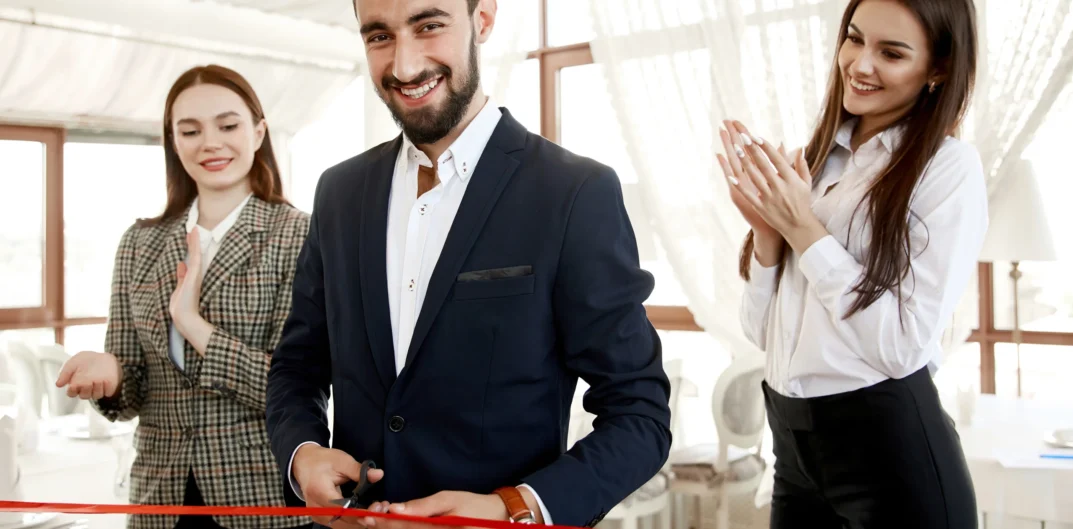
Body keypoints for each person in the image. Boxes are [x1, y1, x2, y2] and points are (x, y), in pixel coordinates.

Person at [265, 0, 671, 527]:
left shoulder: (573, 193)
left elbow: (639, 415)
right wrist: (303, 456)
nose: (405, 67)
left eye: (429, 26)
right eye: (379, 37)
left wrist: (515, 508)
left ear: (483, 19)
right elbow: (297, 367)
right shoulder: (339, 192)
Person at [720, 0, 985, 527]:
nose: (860, 65)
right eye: (855, 39)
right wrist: (769, 235)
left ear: (939, 69)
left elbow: (901, 346)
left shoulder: (947, 169)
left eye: (891, 52)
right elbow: (761, 333)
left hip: (891, 459)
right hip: (794, 450)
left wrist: (802, 227)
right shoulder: (817, 162)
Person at [55, 64, 312, 529]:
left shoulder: (300, 236)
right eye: (190, 130)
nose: (210, 142)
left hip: (262, 499)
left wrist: (192, 323)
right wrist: (112, 374)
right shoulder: (140, 243)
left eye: (228, 125)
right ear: (173, 142)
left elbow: (292, 386)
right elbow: (131, 396)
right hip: (161, 499)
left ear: (258, 132)